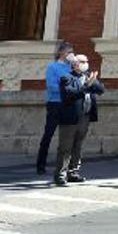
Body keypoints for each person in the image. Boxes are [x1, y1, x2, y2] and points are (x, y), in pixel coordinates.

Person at [54, 53, 103, 185]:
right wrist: (87, 85)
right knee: (65, 147)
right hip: (70, 118)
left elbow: (100, 89)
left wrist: (93, 82)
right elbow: (70, 94)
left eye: (86, 61)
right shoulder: (67, 78)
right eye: (82, 62)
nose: (85, 64)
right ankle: (60, 174)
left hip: (85, 117)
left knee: (77, 146)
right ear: (75, 64)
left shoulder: (87, 77)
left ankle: (73, 172)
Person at [37, 41, 75, 175]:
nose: (71, 54)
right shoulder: (53, 67)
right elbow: (52, 86)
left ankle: (67, 166)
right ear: (61, 52)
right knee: (48, 134)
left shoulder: (72, 67)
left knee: (68, 136)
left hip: (69, 105)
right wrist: (67, 89)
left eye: (72, 52)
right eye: (68, 52)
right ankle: (40, 164)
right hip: (55, 103)